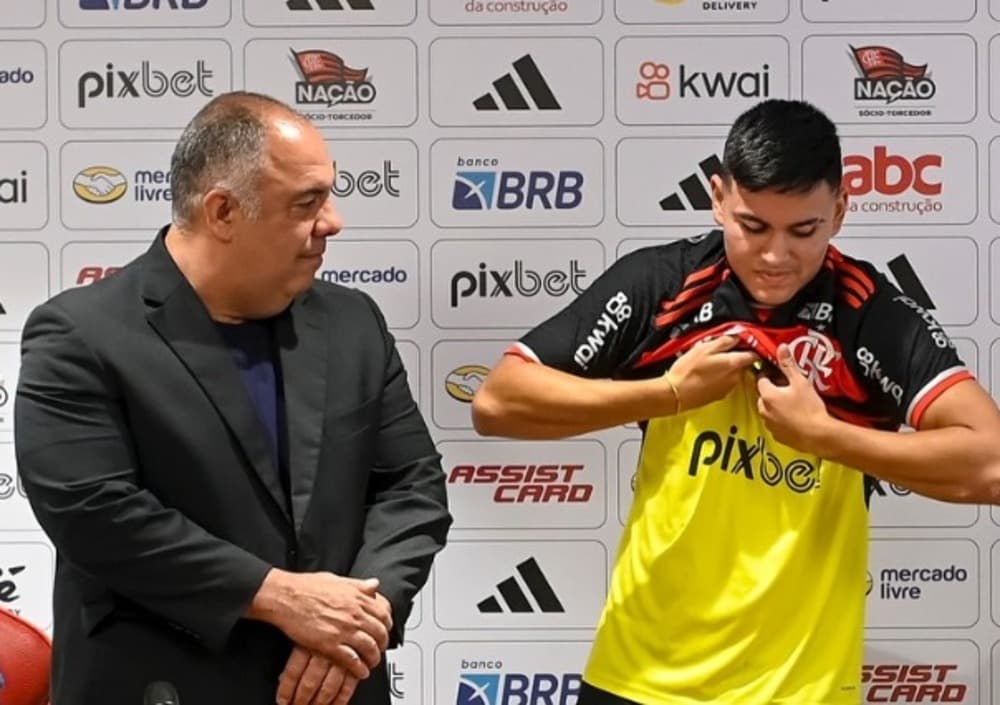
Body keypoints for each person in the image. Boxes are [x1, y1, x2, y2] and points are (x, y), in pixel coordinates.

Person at [471, 99, 1000, 704]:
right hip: (637, 677)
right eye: (753, 226)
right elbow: (498, 402)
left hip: (798, 691)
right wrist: (668, 393)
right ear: (718, 197)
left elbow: (990, 463)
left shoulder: (868, 314)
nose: (776, 256)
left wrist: (827, 437)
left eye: (804, 230)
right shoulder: (664, 284)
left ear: (841, 209)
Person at [14, 91, 451, 705]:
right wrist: (279, 597)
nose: (334, 221)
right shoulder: (80, 333)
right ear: (223, 211)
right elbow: (92, 508)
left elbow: (412, 485)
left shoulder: (354, 322)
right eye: (308, 202)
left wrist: (356, 620)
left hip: (335, 685)